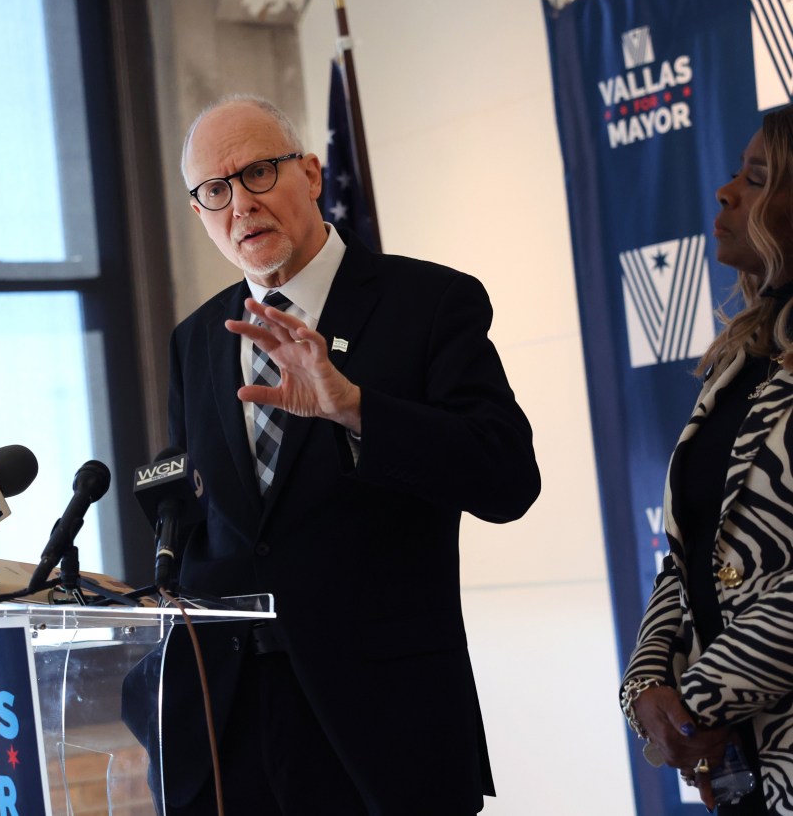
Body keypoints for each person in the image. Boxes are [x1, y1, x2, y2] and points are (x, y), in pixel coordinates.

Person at [154, 94, 540, 815]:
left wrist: (357, 408)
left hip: (387, 729)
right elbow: (209, 522)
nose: (240, 202)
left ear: (309, 171)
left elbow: (508, 478)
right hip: (234, 737)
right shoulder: (197, 338)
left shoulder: (428, 301)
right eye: (215, 189)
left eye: (259, 173)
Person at [621, 106, 793, 816]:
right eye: (734, 174)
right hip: (740, 767)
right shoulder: (743, 361)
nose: (727, 193)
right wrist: (646, 688)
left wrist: (694, 700)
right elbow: (686, 558)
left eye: (757, 179)